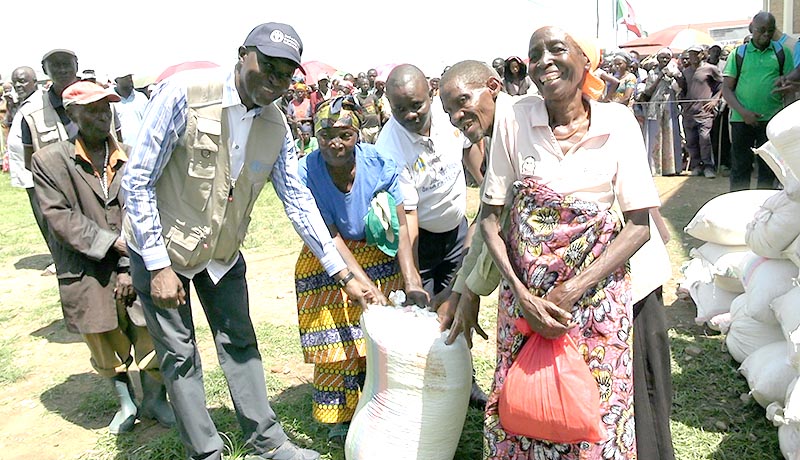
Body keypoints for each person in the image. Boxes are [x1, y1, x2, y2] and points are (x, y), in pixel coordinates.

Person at [122, 23, 377, 460]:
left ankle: (267, 441)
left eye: (285, 75)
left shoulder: (276, 124)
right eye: (268, 67)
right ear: (243, 55)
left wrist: (340, 272)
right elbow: (138, 180)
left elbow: (297, 200)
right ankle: (205, 452)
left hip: (221, 254)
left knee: (240, 342)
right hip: (163, 249)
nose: (275, 82)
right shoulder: (185, 93)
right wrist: (158, 264)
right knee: (180, 356)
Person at [478, 26, 660, 459]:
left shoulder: (618, 122)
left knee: (592, 408)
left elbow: (638, 225)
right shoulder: (514, 118)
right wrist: (523, 295)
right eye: (534, 54)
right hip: (526, 302)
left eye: (556, 49)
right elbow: (489, 220)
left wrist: (571, 291)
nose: (544, 61)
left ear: (585, 61)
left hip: (595, 302)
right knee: (525, 405)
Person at [30, 81, 175, 435]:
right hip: (85, 268)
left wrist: (128, 265)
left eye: (105, 109)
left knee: (149, 334)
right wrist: (113, 245)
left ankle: (155, 400)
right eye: (92, 111)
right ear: (72, 114)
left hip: (134, 261)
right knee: (103, 338)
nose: (101, 117)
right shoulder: (48, 161)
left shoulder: (130, 154)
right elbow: (60, 218)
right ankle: (126, 402)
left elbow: (144, 208)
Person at [294, 95, 427, 443]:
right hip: (328, 255)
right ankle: (339, 416)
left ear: (357, 134)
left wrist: (411, 278)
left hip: (375, 248)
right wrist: (363, 286)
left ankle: (378, 404)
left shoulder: (380, 164)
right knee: (337, 338)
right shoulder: (306, 171)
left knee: (380, 336)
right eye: (327, 135)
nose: (336, 144)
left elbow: (398, 224)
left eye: (345, 134)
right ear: (315, 135)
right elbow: (331, 237)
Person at [722, 12, 794, 191]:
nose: (766, 35)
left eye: (770, 31)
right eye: (761, 30)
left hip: (771, 121)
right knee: (740, 167)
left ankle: (764, 206)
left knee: (769, 168)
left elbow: (789, 87)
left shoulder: (781, 52)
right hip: (741, 120)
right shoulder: (738, 54)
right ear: (751, 29)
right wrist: (744, 112)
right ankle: (738, 205)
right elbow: (726, 89)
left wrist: (785, 117)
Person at [676, 44, 722, 178]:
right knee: (691, 141)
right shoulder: (686, 71)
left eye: (696, 54)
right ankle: (696, 166)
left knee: (704, 139)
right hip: (689, 111)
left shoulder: (710, 69)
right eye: (691, 54)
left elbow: (722, 84)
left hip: (704, 111)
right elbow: (683, 90)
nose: (693, 57)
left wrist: (714, 100)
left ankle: (708, 166)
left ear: (702, 54)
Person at [642, 48, 683, 175]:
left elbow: (682, 86)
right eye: (662, 57)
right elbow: (647, 91)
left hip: (670, 106)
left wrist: (675, 76)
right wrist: (659, 77)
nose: (664, 60)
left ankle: (671, 168)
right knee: (655, 135)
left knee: (670, 135)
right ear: (658, 59)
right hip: (655, 107)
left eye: (667, 57)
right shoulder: (652, 73)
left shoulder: (675, 71)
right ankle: (655, 168)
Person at [7, 67, 38, 191]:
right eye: (14, 82)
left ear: (35, 82)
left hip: (36, 171)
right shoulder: (24, 103)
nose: (17, 85)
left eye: (22, 81)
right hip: (25, 171)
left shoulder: (39, 104)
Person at [113, 73, 149, 146]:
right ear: (117, 80)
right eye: (126, 77)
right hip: (121, 150)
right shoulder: (111, 100)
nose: (130, 79)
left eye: (130, 76)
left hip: (142, 148)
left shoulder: (141, 98)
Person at [353, 77, 382, 143]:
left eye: (367, 84)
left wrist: (379, 125)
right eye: (363, 84)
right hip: (365, 127)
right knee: (367, 146)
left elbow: (377, 111)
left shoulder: (373, 97)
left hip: (375, 126)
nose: (365, 86)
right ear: (360, 85)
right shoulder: (357, 97)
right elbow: (357, 112)